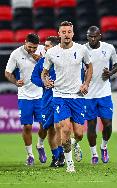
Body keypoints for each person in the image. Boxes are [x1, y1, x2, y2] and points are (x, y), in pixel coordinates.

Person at [41, 21, 93, 172]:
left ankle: (74, 143)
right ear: (59, 34)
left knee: (78, 133)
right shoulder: (51, 53)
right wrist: (46, 81)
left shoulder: (82, 49)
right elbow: (44, 73)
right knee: (64, 129)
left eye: (69, 32)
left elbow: (89, 67)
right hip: (60, 96)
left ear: (73, 33)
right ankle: (70, 165)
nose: (66, 34)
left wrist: (86, 83)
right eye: (63, 32)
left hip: (77, 96)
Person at [5, 33, 47, 165]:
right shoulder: (16, 54)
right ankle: (30, 155)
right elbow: (7, 72)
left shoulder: (42, 51)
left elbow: (52, 67)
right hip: (24, 96)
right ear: (25, 42)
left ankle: (40, 145)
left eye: (34, 47)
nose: (32, 50)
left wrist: (41, 59)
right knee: (27, 127)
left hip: (40, 94)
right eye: (30, 47)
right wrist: (15, 81)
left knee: (44, 125)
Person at [84, 26, 117, 165]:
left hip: (104, 93)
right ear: (87, 37)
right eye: (90, 36)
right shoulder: (82, 49)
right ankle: (94, 154)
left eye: (95, 36)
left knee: (108, 124)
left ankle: (104, 147)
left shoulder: (109, 48)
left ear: (100, 36)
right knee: (91, 126)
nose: (92, 39)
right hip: (88, 94)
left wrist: (110, 72)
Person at [31, 36, 65, 167]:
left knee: (60, 127)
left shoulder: (63, 60)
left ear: (55, 47)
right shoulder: (42, 62)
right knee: (50, 129)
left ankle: (62, 153)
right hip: (46, 100)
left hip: (61, 98)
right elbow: (33, 77)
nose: (44, 48)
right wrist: (44, 83)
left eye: (47, 46)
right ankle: (56, 156)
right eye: (44, 45)